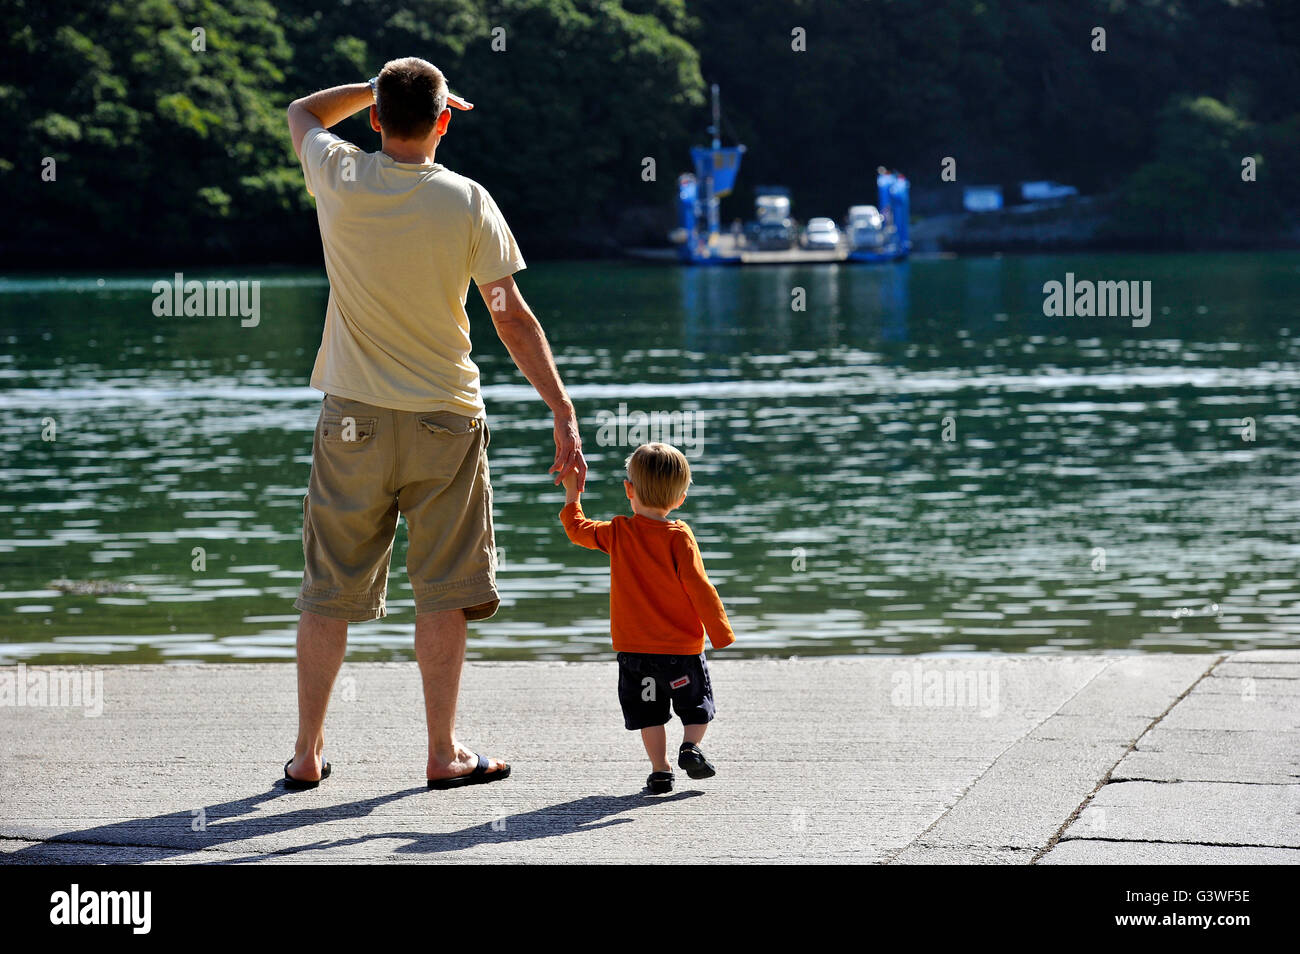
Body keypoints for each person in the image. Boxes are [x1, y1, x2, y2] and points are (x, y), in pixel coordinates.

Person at [283, 57, 586, 790]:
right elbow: (510, 318)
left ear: (378, 118)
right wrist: (561, 409)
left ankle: (306, 754)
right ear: (446, 121)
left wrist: (371, 89)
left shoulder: (341, 175)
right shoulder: (468, 201)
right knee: (445, 589)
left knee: (329, 589)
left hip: (351, 418)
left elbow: (302, 112)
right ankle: (443, 753)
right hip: (445, 422)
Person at [559, 443, 735, 794]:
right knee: (696, 706)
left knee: (649, 713)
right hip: (681, 650)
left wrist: (572, 493)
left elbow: (577, 529)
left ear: (629, 489)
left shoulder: (618, 532)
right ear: (681, 498)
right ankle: (690, 747)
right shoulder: (679, 536)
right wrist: (720, 632)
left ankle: (660, 770)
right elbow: (699, 587)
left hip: (635, 652)